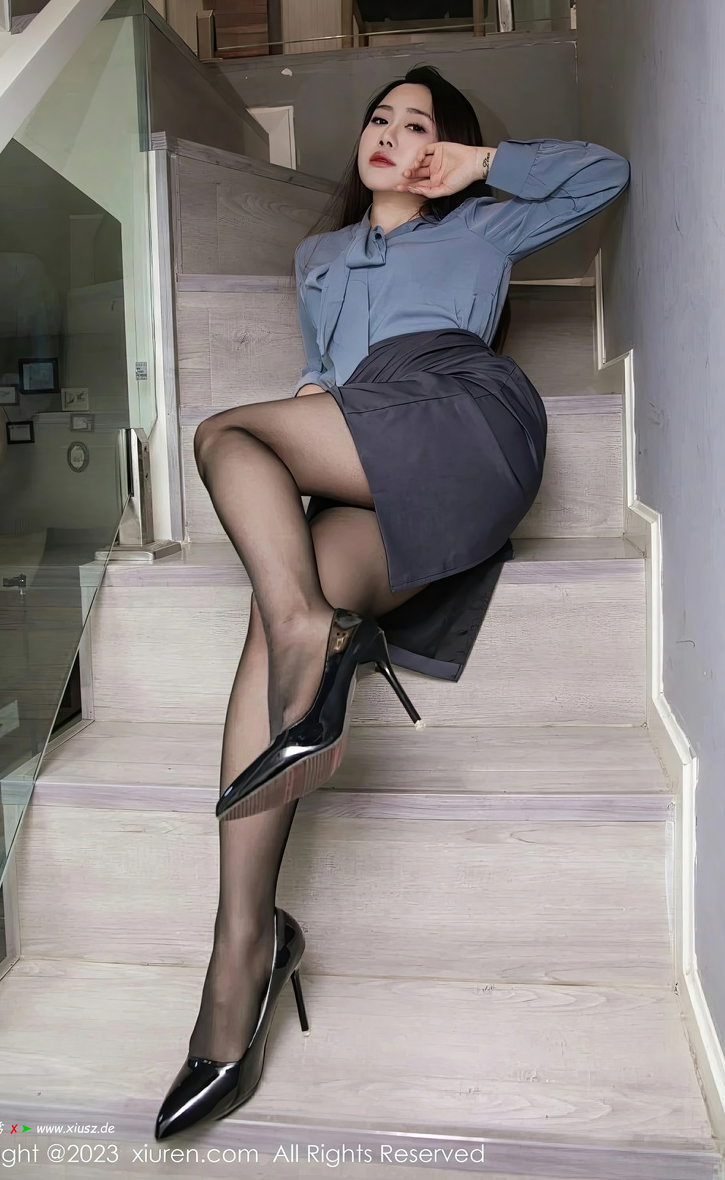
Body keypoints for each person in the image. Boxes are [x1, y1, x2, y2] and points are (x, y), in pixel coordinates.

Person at [155, 65, 630, 1139]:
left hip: (462, 414)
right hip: (364, 430)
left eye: (418, 125)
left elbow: (605, 175)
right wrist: (313, 400)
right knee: (282, 591)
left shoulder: (486, 229)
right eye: (380, 118)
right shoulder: (317, 257)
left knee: (224, 433)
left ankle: (311, 640)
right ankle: (244, 950)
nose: (391, 133)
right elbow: (326, 371)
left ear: (441, 149)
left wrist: (479, 165)